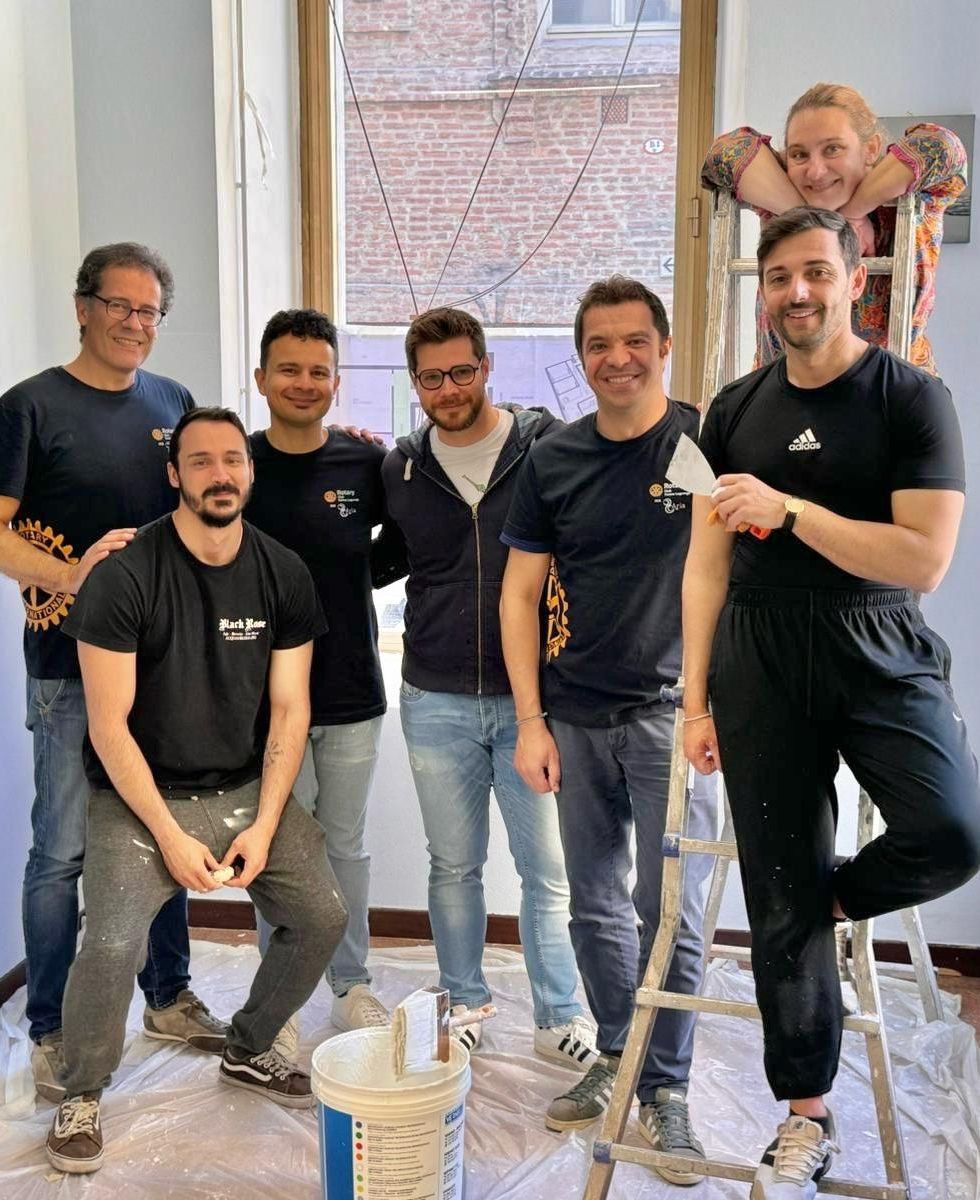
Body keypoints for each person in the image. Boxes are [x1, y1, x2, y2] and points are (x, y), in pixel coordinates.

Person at [679, 207, 980, 1200]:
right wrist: (693, 697)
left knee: (951, 832)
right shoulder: (730, 410)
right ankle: (804, 1112)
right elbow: (703, 566)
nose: (795, 293)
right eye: (777, 277)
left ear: (854, 281)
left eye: (814, 272)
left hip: (876, 639)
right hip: (757, 655)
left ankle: (829, 900)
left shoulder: (912, 399)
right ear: (761, 291)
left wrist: (795, 510)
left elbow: (924, 560)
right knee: (775, 885)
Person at [44, 406, 347, 1174]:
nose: (221, 474)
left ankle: (249, 1048)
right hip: (140, 795)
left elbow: (290, 709)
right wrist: (171, 838)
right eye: (202, 461)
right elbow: (109, 728)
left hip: (246, 787)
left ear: (250, 472)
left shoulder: (282, 572)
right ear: (174, 474)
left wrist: (265, 822)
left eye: (233, 460)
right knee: (112, 942)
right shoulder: (124, 574)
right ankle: (82, 1089)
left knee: (321, 915)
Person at [0, 244, 221, 1102]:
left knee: (164, 831)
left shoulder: (171, 403)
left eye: (150, 311)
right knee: (62, 853)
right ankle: (49, 1025)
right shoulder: (30, 408)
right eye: (120, 306)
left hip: (161, 670)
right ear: (83, 307)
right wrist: (72, 575)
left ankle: (170, 995)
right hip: (67, 667)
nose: (135, 324)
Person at [499, 276, 717, 1186]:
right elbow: (518, 592)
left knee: (673, 910)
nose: (618, 359)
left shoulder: (703, 440)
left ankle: (666, 1091)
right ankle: (618, 1053)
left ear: (663, 347)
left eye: (635, 341)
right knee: (593, 900)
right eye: (599, 344)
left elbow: (737, 571)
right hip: (576, 715)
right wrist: (529, 722)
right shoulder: (554, 458)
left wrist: (712, 705)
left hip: (674, 715)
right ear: (580, 357)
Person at [382, 305, 596, 1070]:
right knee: (454, 866)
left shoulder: (547, 448)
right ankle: (463, 1000)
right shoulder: (400, 467)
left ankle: (560, 1012)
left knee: (548, 869)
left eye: (462, 371)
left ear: (487, 366)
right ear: (415, 382)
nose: (449, 388)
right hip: (433, 698)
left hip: (531, 701)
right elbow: (368, 556)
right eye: (432, 377)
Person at [243, 309, 407, 1058]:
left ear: (336, 383)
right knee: (276, 844)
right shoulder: (235, 466)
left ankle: (350, 985)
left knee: (343, 842)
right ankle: (277, 1002)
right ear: (262, 379)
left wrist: (338, 588)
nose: (304, 384)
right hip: (258, 699)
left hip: (348, 689)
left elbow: (400, 544)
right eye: (290, 370)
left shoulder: (364, 466)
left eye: (318, 372)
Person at [701, 82, 967, 375]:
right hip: (785, 391)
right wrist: (810, 217)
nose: (815, 171)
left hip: (890, 394)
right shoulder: (782, 190)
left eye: (832, 149)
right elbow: (724, 153)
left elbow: (943, 146)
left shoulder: (911, 196)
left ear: (871, 149)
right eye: (799, 154)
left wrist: (854, 212)